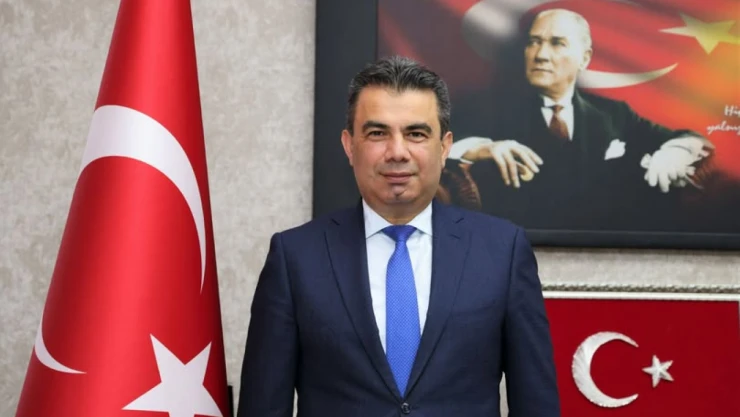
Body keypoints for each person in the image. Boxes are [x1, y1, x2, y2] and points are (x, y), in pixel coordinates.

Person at [236, 56, 560, 416]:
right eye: (377, 133)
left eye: (416, 134)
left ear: (445, 147)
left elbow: (537, 404)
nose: (397, 152)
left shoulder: (502, 252)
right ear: (349, 145)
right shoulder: (295, 257)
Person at [442, 8, 714, 230]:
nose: (540, 55)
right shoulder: (487, 106)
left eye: (557, 43)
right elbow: (437, 148)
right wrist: (482, 148)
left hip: (606, 248)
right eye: (534, 42)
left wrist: (674, 153)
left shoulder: (613, 114)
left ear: (584, 59)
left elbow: (690, 139)